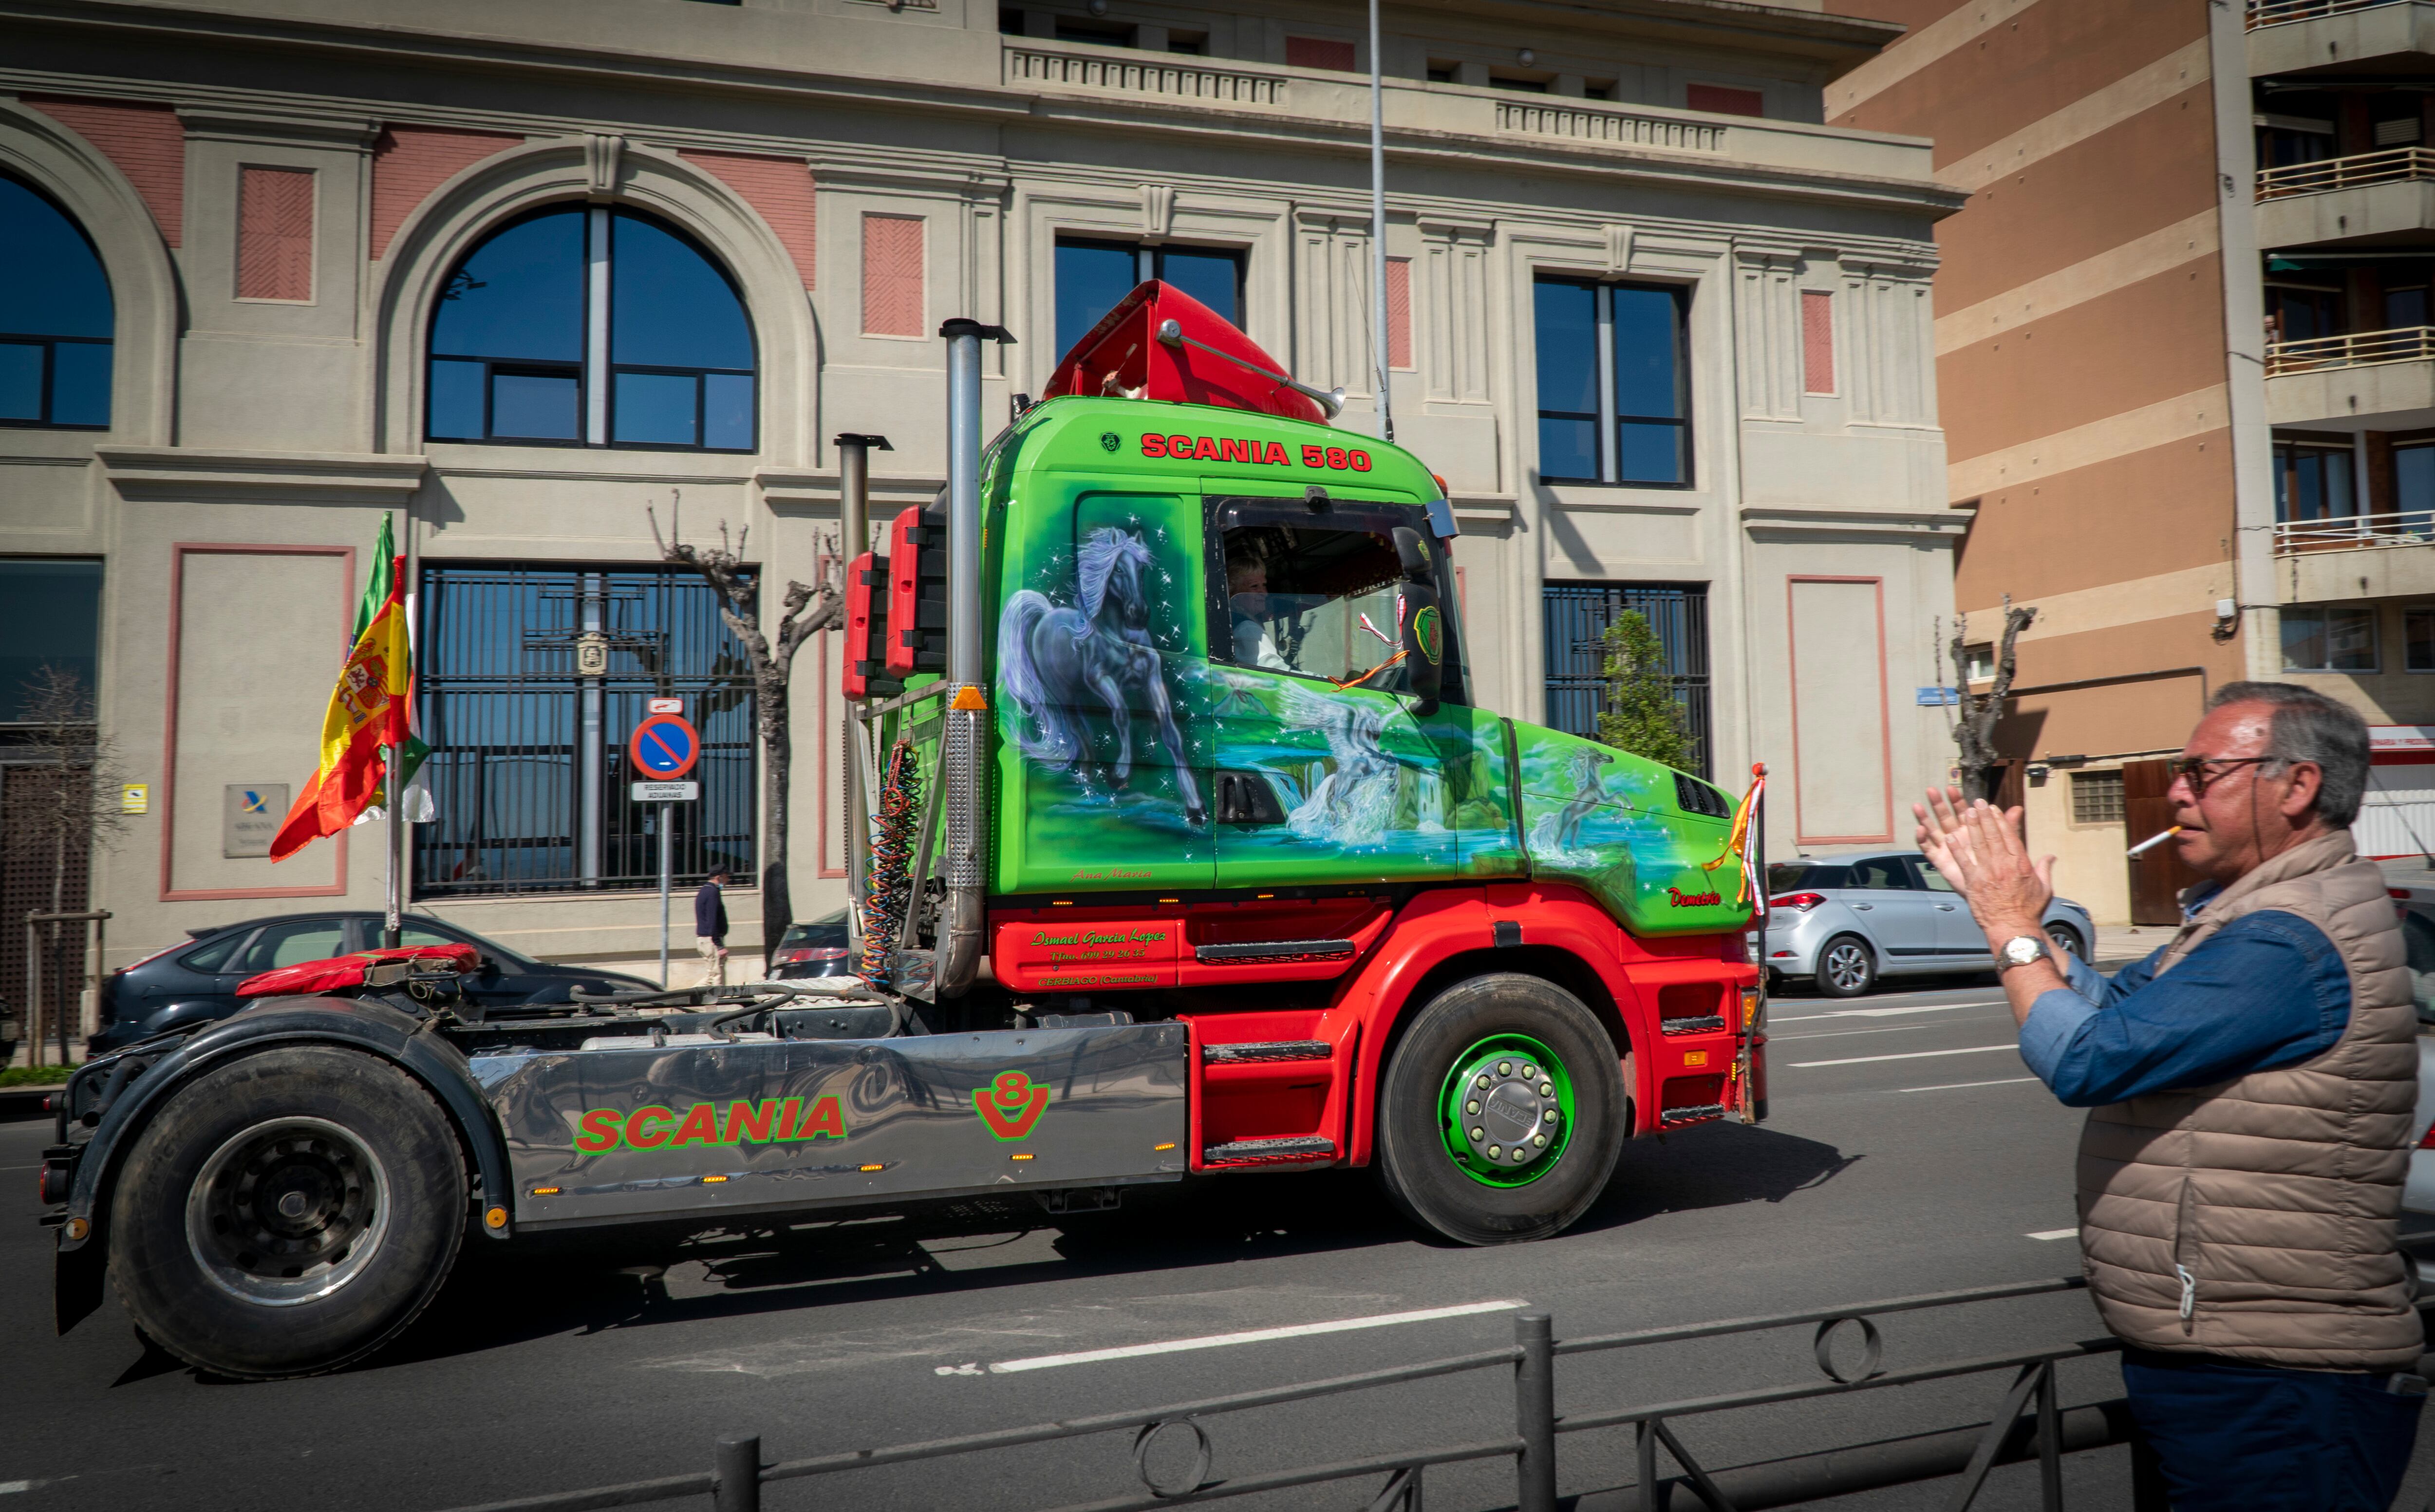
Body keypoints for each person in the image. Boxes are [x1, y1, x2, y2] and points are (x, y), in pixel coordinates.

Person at [1914, 682, 2423, 1512]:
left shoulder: (2287, 936)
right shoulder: (2248, 915)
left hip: (2275, 1381)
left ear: (2296, 787)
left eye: (2202, 771)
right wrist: (2024, 927)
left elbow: (2086, 1057)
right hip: (2234, 1361)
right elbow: (2121, 1013)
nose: (2177, 791)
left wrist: (2009, 928)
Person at [1225, 550, 1290, 671]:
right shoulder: (1246, 627)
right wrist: (1329, 681)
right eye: (1255, 586)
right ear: (1232, 591)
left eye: (1264, 585)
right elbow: (1277, 674)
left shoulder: (1228, 622)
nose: (1264, 593)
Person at [693, 868, 730, 988]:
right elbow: (712, 919)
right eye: (726, 877)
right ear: (719, 878)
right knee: (715, 979)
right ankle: (679, 999)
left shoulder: (705, 891)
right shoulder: (712, 893)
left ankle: (680, 999)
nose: (728, 880)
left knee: (712, 977)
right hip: (711, 940)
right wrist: (719, 945)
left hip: (707, 940)